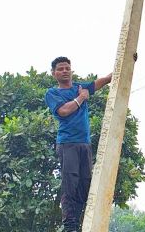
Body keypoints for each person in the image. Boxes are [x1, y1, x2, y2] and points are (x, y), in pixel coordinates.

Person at [45, 56, 112, 232]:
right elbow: (64, 111)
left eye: (67, 68)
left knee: (85, 183)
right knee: (70, 183)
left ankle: (80, 221)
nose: (65, 71)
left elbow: (103, 81)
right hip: (68, 144)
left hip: (85, 144)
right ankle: (69, 225)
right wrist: (81, 98)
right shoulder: (53, 93)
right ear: (54, 73)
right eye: (60, 69)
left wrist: (123, 66)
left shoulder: (80, 87)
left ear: (71, 70)